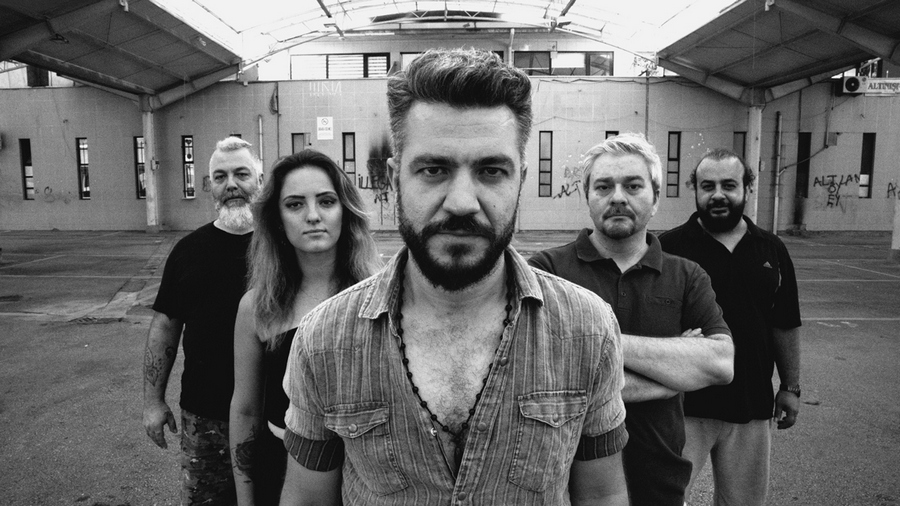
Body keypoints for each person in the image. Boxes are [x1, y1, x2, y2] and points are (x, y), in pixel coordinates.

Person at [279, 47, 630, 505]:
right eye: (434, 169)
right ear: (395, 179)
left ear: (520, 179)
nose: (462, 202)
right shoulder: (324, 341)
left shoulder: (587, 330)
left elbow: (602, 497)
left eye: (491, 171)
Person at [529, 133, 734, 506]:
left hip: (659, 483)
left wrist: (589, 347)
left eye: (633, 186)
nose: (618, 197)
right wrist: (669, 378)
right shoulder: (546, 271)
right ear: (587, 197)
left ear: (655, 198)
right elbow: (542, 382)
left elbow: (720, 364)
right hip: (563, 486)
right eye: (603, 186)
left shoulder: (687, 276)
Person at [228, 149, 381, 505]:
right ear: (277, 219)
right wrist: (245, 500)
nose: (313, 216)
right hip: (282, 474)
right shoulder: (257, 307)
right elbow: (245, 410)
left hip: (367, 478)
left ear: (345, 210)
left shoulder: (379, 293)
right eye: (295, 204)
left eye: (326, 201)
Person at [659, 148, 802, 506]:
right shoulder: (668, 248)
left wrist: (790, 386)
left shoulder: (771, 248)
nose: (718, 194)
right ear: (695, 190)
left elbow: (785, 322)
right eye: (708, 186)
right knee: (664, 499)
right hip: (683, 405)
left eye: (729, 185)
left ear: (747, 188)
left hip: (750, 404)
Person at [142, 136, 261, 505]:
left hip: (274, 413)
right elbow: (165, 328)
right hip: (204, 416)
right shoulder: (189, 251)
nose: (231, 185)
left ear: (260, 180)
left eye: (242, 174)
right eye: (220, 177)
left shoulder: (282, 246)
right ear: (209, 186)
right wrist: (153, 402)